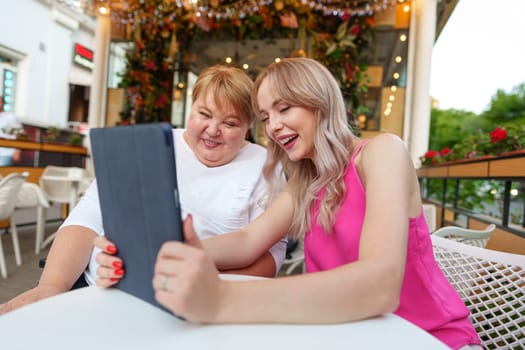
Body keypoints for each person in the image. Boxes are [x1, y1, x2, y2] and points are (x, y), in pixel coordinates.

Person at [95, 57, 480, 349]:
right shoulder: (305, 181)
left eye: (284, 108)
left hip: (429, 338)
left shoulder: (382, 153)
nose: (274, 126)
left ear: (318, 102)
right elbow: (247, 241)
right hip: (357, 335)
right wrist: (160, 250)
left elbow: (379, 286)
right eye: (265, 117)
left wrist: (221, 299)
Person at [0, 65, 287, 314]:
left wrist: (205, 287)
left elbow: (271, 255)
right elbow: (87, 217)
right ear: (191, 108)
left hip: (201, 304)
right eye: (204, 114)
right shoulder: (149, 147)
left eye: (230, 123)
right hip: (105, 292)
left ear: (249, 126)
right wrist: (52, 287)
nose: (213, 129)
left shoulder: (264, 165)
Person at [0, 95, 22, 166]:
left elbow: (20, 135)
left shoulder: (10, 117)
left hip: (6, 154)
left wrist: (17, 151)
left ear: (2, 103)